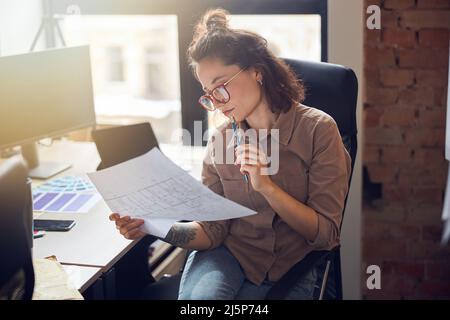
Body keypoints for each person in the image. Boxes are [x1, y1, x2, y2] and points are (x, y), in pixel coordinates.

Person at [109, 8, 351, 300]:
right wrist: (152, 227)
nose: (218, 102)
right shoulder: (221, 140)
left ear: (257, 71)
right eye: (208, 94)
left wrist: (267, 187)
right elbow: (212, 231)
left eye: (221, 86)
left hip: (291, 264)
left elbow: (326, 234)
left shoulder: (319, 130)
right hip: (228, 255)